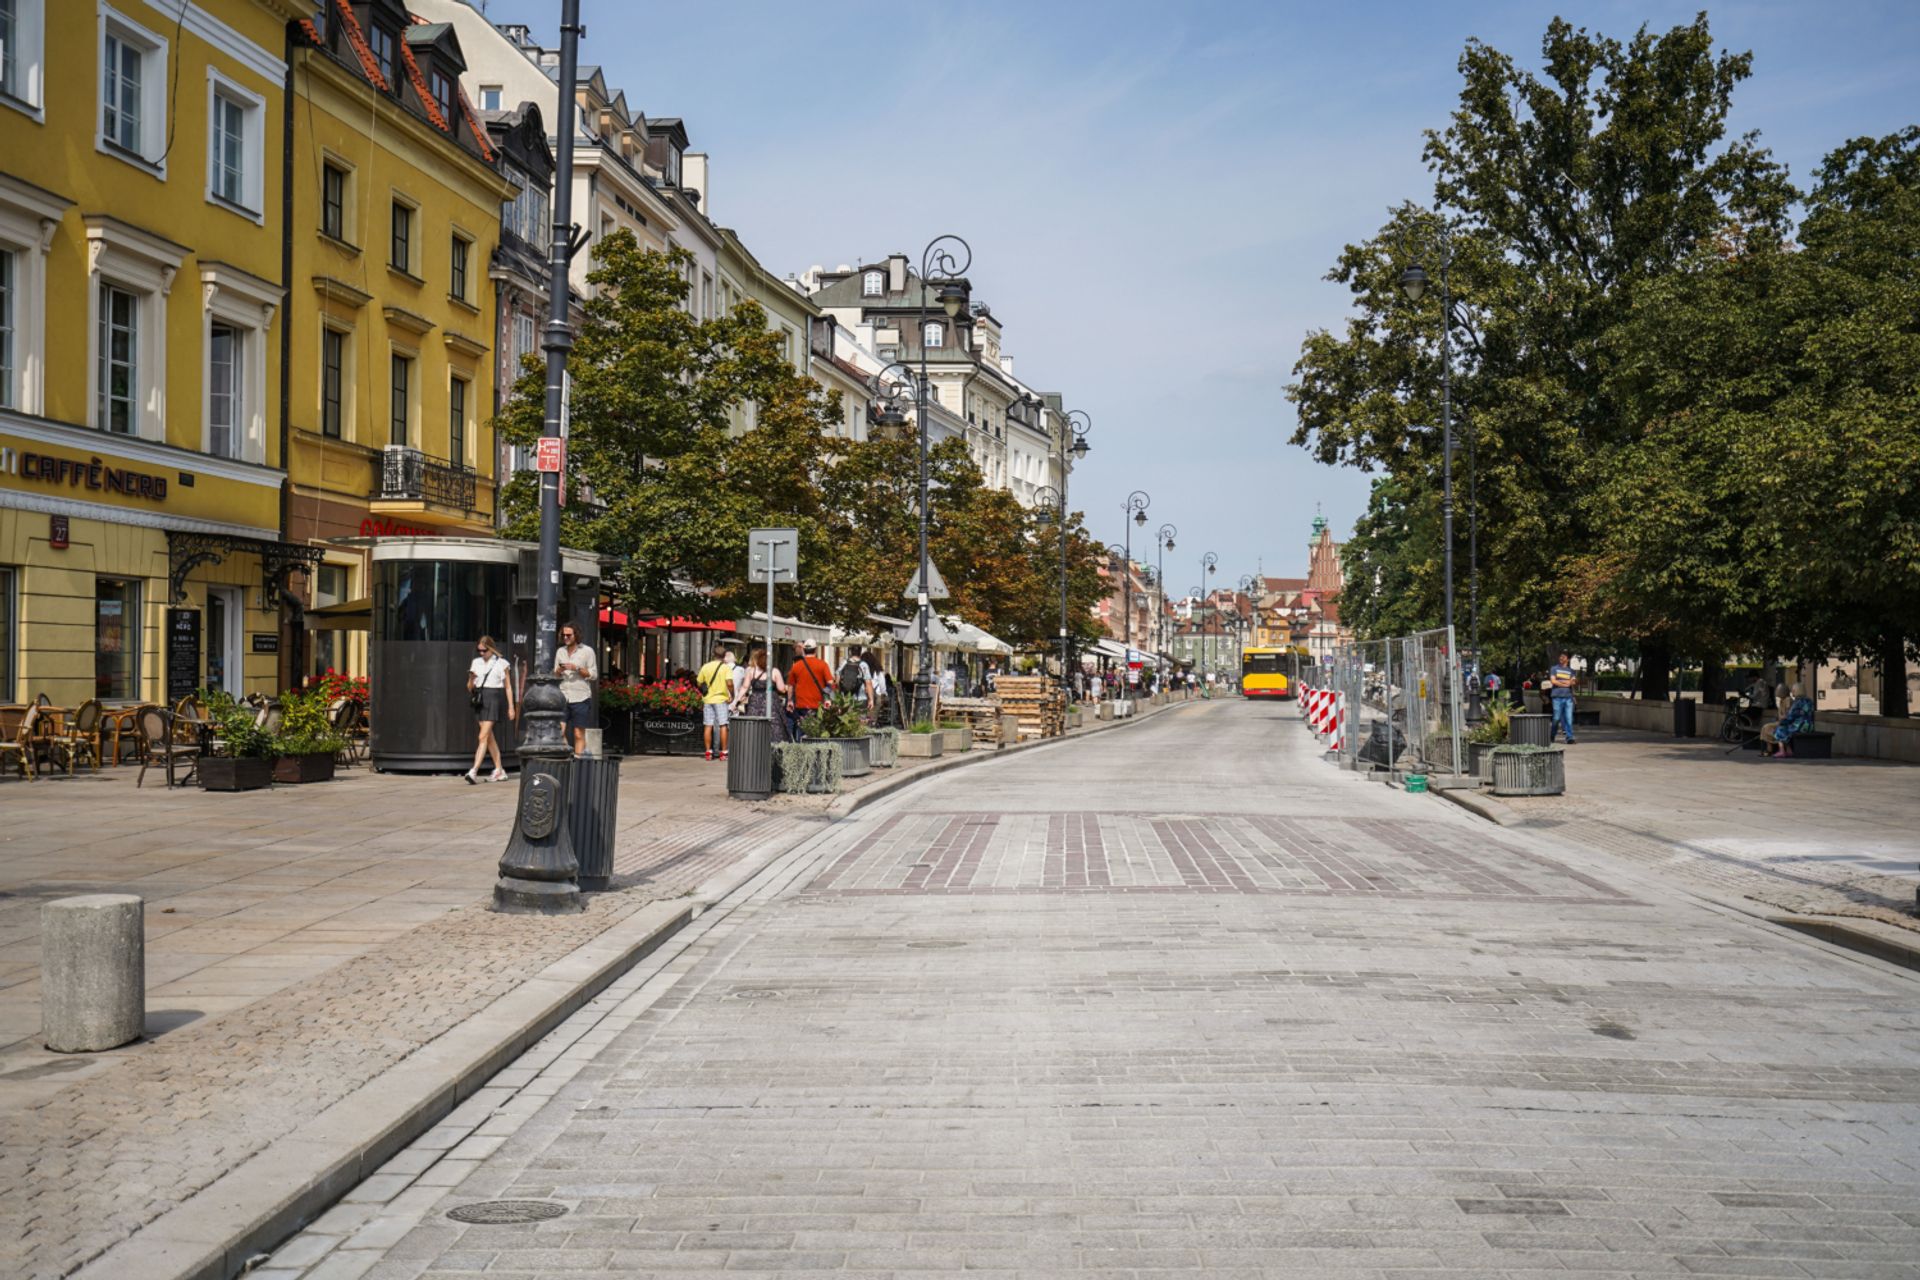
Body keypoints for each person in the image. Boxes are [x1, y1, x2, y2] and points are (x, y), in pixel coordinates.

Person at [464, 635, 515, 783]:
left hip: (494, 697)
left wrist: (511, 707)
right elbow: (469, 688)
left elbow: (508, 687)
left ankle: (473, 771)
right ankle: (500, 770)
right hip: (480, 698)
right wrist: (471, 679)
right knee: (489, 738)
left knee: (482, 737)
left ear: (491, 648)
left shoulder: (502, 663)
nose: (481, 653)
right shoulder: (476, 662)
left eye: (484, 650)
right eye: (479, 650)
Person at [554, 622, 598, 755]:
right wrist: (560, 670)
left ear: (576, 635)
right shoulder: (560, 651)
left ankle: (578, 763)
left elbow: (593, 675)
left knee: (578, 733)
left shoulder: (587, 651)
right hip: (563, 696)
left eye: (569, 635)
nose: (566, 637)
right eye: (564, 635)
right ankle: (568, 757)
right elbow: (555, 674)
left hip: (580, 696)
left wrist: (577, 668)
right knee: (558, 733)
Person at [731, 647, 790, 743]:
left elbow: (745, 687)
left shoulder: (751, 671)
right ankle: (773, 748)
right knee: (774, 727)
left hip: (755, 703)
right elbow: (781, 688)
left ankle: (755, 748)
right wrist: (787, 688)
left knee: (754, 727)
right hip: (771, 702)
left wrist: (736, 701)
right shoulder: (774, 671)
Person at [695, 646, 735, 761]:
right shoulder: (725, 668)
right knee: (723, 724)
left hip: (708, 699)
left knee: (708, 725)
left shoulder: (705, 666)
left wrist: (705, 688)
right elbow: (730, 683)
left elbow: (698, 682)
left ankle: (708, 752)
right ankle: (723, 752)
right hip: (721, 699)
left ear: (713, 654)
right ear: (724, 656)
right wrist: (732, 694)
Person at [787, 639, 834, 729]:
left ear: (804, 650)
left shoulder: (796, 666)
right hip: (818, 705)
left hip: (800, 705)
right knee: (816, 731)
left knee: (801, 730)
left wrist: (790, 701)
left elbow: (790, 686)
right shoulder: (823, 665)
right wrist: (827, 699)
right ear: (815, 650)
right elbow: (830, 683)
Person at [1758, 688, 1816, 758]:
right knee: (1781, 728)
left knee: (1781, 729)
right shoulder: (1809, 701)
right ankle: (1789, 751)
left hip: (1800, 726)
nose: (1792, 692)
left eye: (1793, 691)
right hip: (1808, 726)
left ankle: (1782, 751)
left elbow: (1790, 716)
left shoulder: (1797, 702)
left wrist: (1782, 722)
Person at [1548, 650, 1578, 745]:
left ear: (1567, 659)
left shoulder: (1571, 671)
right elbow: (1553, 681)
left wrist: (1561, 682)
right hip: (1557, 697)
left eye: (1563, 657)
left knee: (1569, 718)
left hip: (1568, 697)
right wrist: (1566, 683)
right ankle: (1552, 735)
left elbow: (1572, 682)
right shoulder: (1554, 669)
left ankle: (1569, 738)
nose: (1561, 658)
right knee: (1556, 718)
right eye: (1560, 656)